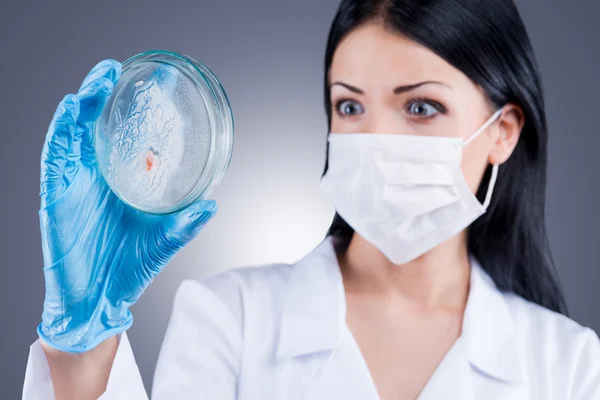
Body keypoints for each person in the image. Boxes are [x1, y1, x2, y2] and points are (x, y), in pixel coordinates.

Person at [22, 0, 600, 399]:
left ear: (502, 131)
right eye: (350, 106)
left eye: (421, 107)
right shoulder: (228, 319)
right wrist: (84, 353)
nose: (376, 139)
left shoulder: (568, 363)